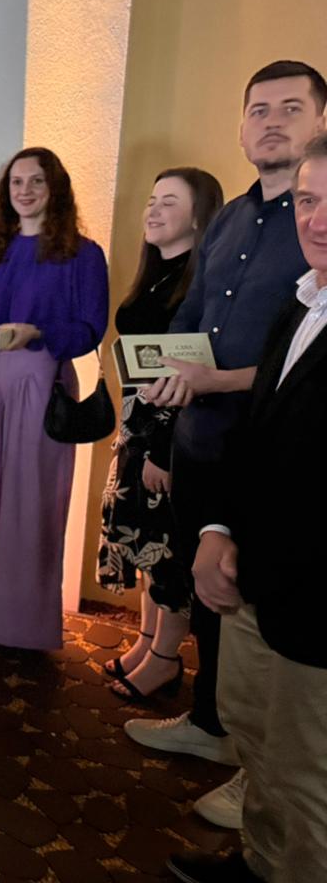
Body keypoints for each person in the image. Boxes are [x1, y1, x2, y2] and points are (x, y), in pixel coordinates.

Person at [127, 61, 326, 830]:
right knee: (205, 590)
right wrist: (163, 384)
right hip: (201, 439)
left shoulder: (316, 225)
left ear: (320, 123)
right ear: (241, 128)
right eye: (258, 110)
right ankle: (213, 724)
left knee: (264, 613)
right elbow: (193, 316)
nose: (271, 122)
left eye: (290, 108)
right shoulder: (231, 218)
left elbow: (295, 360)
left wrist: (212, 381)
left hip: (275, 453)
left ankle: (261, 773)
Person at [164, 132, 327, 883]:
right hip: (255, 569)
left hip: (314, 595)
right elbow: (261, 435)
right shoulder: (304, 303)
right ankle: (260, 864)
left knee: (307, 773)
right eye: (309, 200)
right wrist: (220, 526)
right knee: (257, 738)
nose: (316, 219)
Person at [0, 147, 109, 651]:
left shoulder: (83, 254)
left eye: (36, 181)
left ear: (55, 188)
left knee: (31, 503)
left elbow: (90, 329)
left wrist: (37, 332)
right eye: (16, 182)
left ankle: (21, 625)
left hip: (43, 383)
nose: (25, 190)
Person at [97, 168, 224, 701]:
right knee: (144, 545)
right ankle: (147, 644)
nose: (152, 210)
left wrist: (162, 450)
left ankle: (167, 661)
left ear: (198, 217)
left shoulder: (199, 285)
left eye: (168, 202)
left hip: (168, 434)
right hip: (137, 426)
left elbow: (189, 379)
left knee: (166, 551)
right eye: (151, 200)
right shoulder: (156, 274)